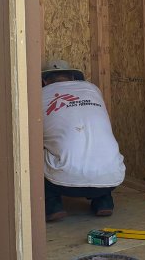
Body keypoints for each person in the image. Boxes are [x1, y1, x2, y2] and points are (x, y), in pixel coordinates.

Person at [41, 58, 126, 222]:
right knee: (97, 147)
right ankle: (104, 202)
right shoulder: (92, 89)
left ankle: (53, 206)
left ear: (44, 80)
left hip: (62, 181)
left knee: (34, 152)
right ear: (73, 78)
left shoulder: (40, 95)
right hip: (112, 177)